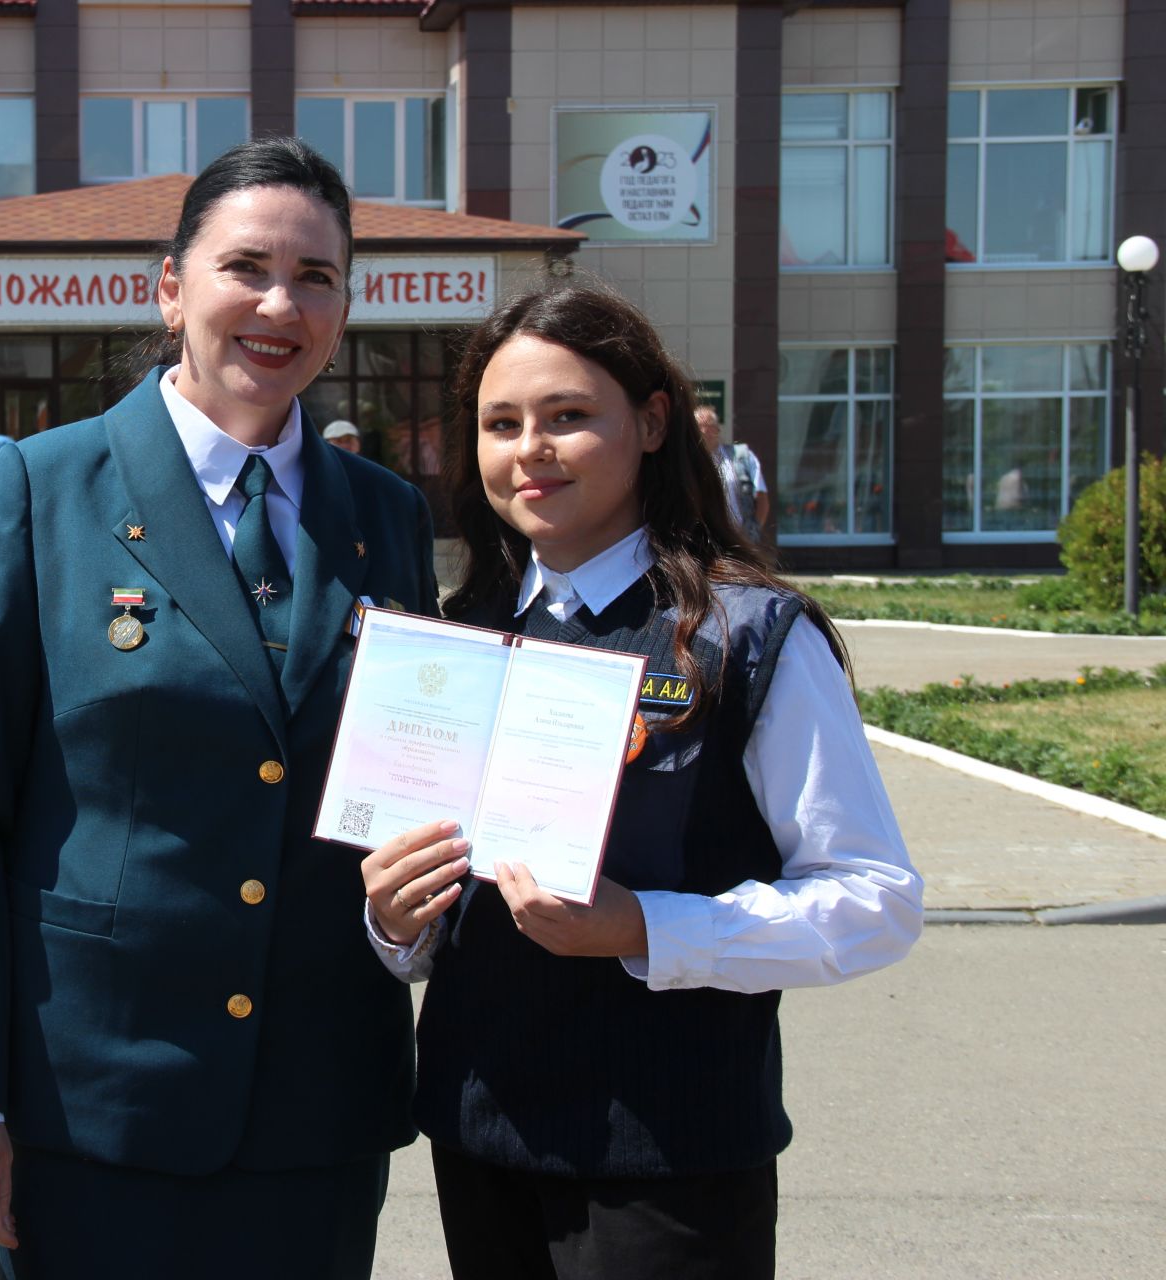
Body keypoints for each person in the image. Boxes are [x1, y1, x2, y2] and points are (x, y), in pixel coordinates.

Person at [0, 136, 440, 1278]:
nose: (279, 303)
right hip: (96, 1103)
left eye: (318, 276)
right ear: (171, 286)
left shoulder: (383, 515)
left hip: (317, 1106)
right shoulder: (47, 485)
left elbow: (407, 789)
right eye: (246, 265)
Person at [360, 283, 923, 1279]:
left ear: (653, 421)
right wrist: (395, 921)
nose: (531, 447)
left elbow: (874, 900)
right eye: (501, 423)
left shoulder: (747, 636)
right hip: (481, 1138)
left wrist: (647, 929)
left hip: (670, 1159)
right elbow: (435, 912)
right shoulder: (458, 637)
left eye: (569, 416)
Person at [697, 405, 769, 542]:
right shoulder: (687, 462)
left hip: (740, 539)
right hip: (705, 542)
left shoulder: (742, 456)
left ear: (717, 429)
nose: (703, 431)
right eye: (698, 426)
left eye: (707, 425)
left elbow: (762, 499)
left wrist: (752, 534)